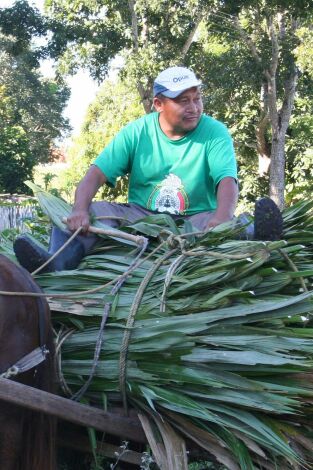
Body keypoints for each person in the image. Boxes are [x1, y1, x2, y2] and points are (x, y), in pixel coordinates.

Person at [14, 66, 283, 273]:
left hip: (195, 219)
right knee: (92, 214)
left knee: (236, 224)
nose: (194, 108)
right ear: (158, 104)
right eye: (183, 101)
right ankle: (56, 262)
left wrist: (222, 216)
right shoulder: (137, 131)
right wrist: (80, 210)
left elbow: (226, 180)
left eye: (197, 99)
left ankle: (259, 239)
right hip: (140, 216)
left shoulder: (214, 132)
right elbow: (95, 174)